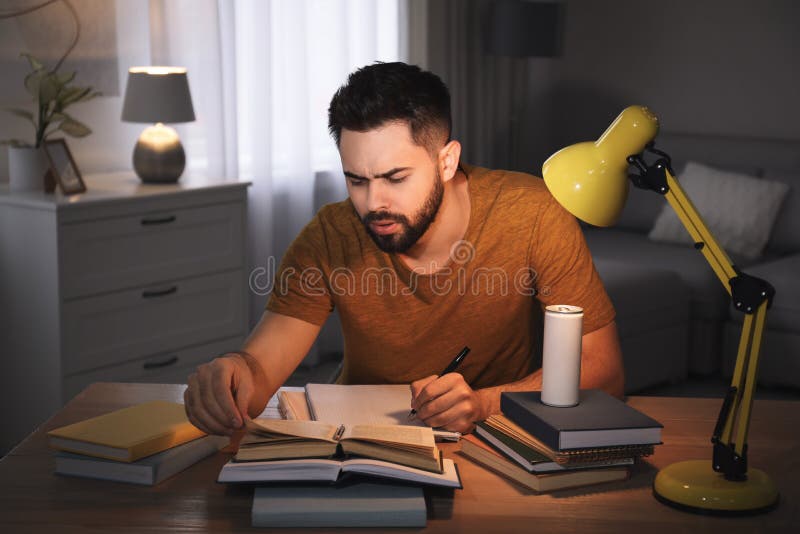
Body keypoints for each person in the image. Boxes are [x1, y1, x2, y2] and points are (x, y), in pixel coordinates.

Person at [184, 62, 624, 436]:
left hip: (495, 440)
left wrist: (486, 402)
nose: (374, 203)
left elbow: (604, 370)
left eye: (396, 178)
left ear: (447, 161)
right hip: (358, 442)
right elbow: (261, 367)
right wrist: (231, 374)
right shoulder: (330, 234)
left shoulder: (532, 213)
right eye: (356, 179)